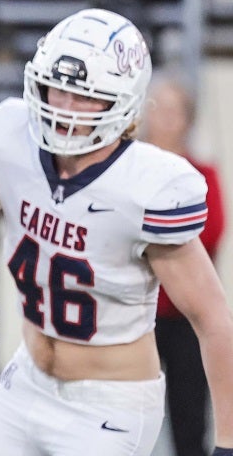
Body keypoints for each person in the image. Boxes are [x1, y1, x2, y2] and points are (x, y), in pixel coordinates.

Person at [0, 8, 233, 456]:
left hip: (109, 406)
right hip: (28, 382)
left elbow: (213, 319)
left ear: (122, 102)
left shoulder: (148, 185)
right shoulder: (11, 139)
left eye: (85, 96)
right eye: (60, 88)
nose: (64, 107)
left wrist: (227, 440)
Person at [140, 76, 227, 456]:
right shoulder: (128, 170)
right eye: (156, 107)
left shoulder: (201, 176)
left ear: (187, 120)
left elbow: (210, 233)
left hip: (183, 317)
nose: (163, 118)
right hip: (134, 318)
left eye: (173, 109)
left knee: (189, 418)